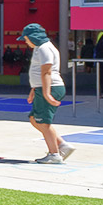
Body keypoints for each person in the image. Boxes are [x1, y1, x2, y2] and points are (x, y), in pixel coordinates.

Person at [20, 23, 74, 165]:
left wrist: (46, 93)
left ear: (33, 37)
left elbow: (46, 72)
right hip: (42, 88)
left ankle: (54, 154)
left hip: (51, 87)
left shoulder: (44, 48)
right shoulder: (40, 48)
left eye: (26, 39)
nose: (25, 42)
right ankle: (62, 145)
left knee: (43, 122)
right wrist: (34, 90)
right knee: (34, 118)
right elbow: (39, 73)